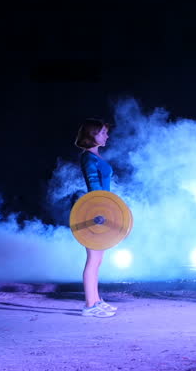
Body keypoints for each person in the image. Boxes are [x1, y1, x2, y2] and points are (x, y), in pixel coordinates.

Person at [75, 118, 119, 318]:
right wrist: (102, 210)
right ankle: (89, 305)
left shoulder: (95, 156)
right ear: (92, 135)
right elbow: (94, 187)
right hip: (95, 211)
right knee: (93, 259)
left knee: (98, 259)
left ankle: (96, 300)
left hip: (101, 208)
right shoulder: (88, 158)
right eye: (102, 132)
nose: (106, 136)